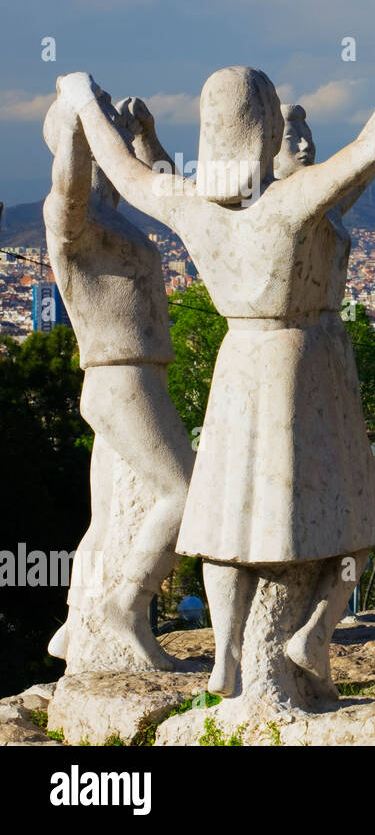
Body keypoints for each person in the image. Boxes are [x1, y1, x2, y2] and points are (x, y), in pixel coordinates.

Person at [58, 21, 375, 704]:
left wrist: (83, 100)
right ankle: (312, 632)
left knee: (227, 528)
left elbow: (123, 171)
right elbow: (374, 147)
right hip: (299, 361)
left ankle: (227, 662)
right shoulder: (290, 200)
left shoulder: (192, 207)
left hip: (238, 364)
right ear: (264, 129)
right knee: (344, 518)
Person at [41, 89, 193, 670]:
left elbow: (183, 205)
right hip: (121, 377)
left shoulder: (114, 215)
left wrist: (142, 140)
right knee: (185, 493)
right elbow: (71, 183)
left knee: (105, 519)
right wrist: (83, 111)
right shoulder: (68, 217)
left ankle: (75, 619)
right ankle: (126, 606)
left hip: (128, 376)